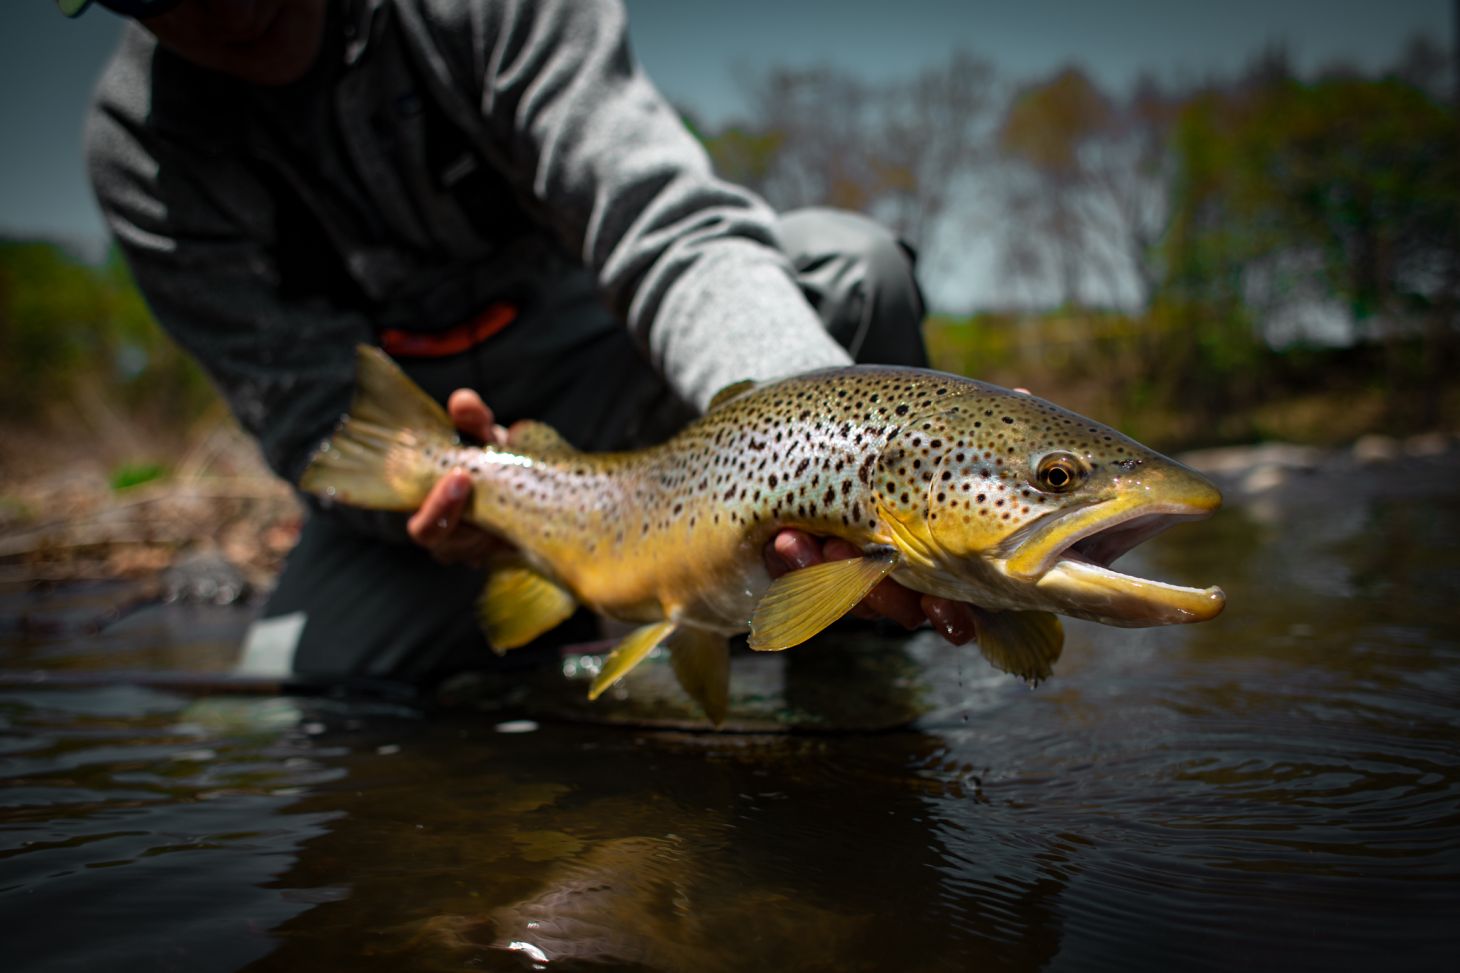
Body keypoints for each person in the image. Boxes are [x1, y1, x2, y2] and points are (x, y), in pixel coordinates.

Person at [68, 0, 977, 686]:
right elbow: (310, 412)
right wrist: (447, 511)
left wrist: (814, 434)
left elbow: (666, 231)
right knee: (297, 690)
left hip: (640, 389)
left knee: (857, 274)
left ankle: (853, 678)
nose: (207, 5)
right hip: (437, 476)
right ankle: (584, 637)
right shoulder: (140, 150)